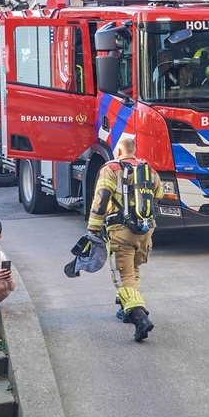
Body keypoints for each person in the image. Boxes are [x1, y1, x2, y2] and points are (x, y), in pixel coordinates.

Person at [88, 136, 160, 342]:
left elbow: (101, 199)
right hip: (145, 232)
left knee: (123, 275)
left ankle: (139, 317)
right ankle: (125, 309)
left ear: (118, 152)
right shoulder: (150, 171)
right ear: (134, 150)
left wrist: (93, 229)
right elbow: (159, 196)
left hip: (121, 231)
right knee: (133, 270)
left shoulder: (110, 169)